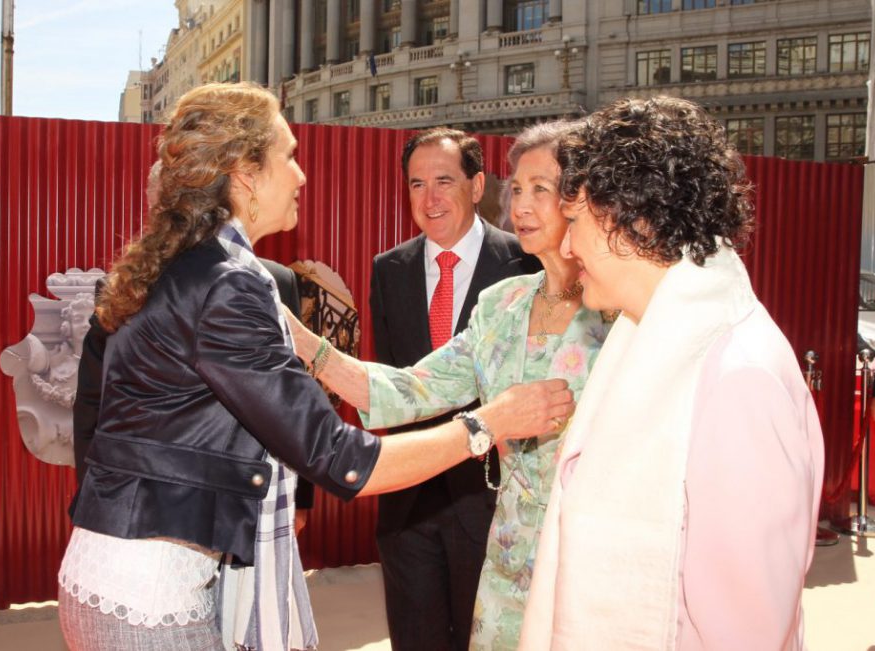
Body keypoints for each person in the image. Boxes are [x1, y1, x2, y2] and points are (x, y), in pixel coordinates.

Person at [57, 82, 573, 651]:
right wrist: (487, 424)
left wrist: (307, 345)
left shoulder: (192, 264)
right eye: (290, 157)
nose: (302, 175)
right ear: (245, 174)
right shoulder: (227, 281)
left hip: (131, 576)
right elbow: (339, 456)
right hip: (150, 596)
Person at [286, 120, 610, 650]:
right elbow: (410, 389)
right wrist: (303, 341)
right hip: (505, 562)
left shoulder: (620, 312)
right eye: (519, 191)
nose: (522, 207)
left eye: (541, 190)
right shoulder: (502, 306)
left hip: (583, 560)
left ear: (583, 199)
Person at [518, 96, 824, 650]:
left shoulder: (738, 379)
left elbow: (746, 632)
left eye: (574, 222)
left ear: (630, 221)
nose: (564, 245)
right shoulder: (646, 337)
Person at [367, 127, 540, 651]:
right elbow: (396, 384)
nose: (430, 198)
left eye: (444, 180)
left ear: (478, 183)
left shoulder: (524, 263)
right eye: (417, 184)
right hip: (409, 508)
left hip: (491, 504)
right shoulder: (388, 270)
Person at [72, 163, 314, 527]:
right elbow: (94, 400)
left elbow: (295, 395)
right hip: (155, 504)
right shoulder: (123, 289)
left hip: (256, 493)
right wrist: (94, 491)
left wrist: (300, 499)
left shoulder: (275, 282)